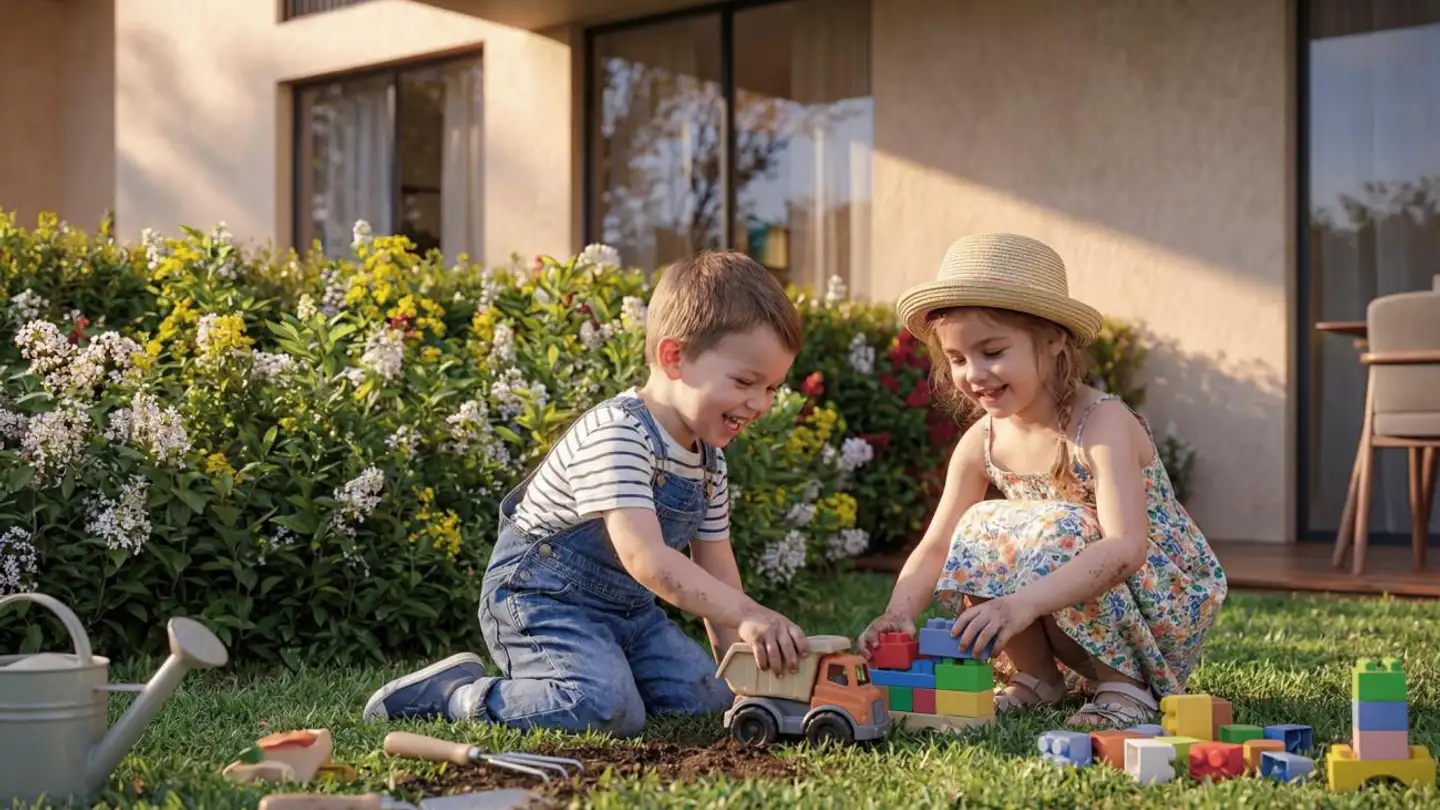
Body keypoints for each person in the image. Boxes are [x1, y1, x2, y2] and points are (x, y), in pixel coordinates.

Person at [363, 251, 812, 737]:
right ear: (674, 357)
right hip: (541, 600)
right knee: (600, 706)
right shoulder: (619, 433)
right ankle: (457, 696)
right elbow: (649, 561)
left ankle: (609, 670)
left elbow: (717, 572)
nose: (759, 403)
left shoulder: (709, 462)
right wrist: (749, 614)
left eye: (772, 388)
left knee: (709, 699)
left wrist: (742, 676)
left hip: (629, 614)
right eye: (746, 382)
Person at [857, 233, 1227, 728]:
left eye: (992, 351)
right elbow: (939, 541)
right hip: (1055, 606)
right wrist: (898, 612)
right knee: (979, 524)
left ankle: (1126, 686)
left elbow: (1125, 549)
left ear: (1053, 339)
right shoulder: (981, 441)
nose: (974, 374)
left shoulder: (1101, 424)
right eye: (958, 358)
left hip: (1159, 605)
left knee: (1064, 528)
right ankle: (1038, 678)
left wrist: (1020, 604)